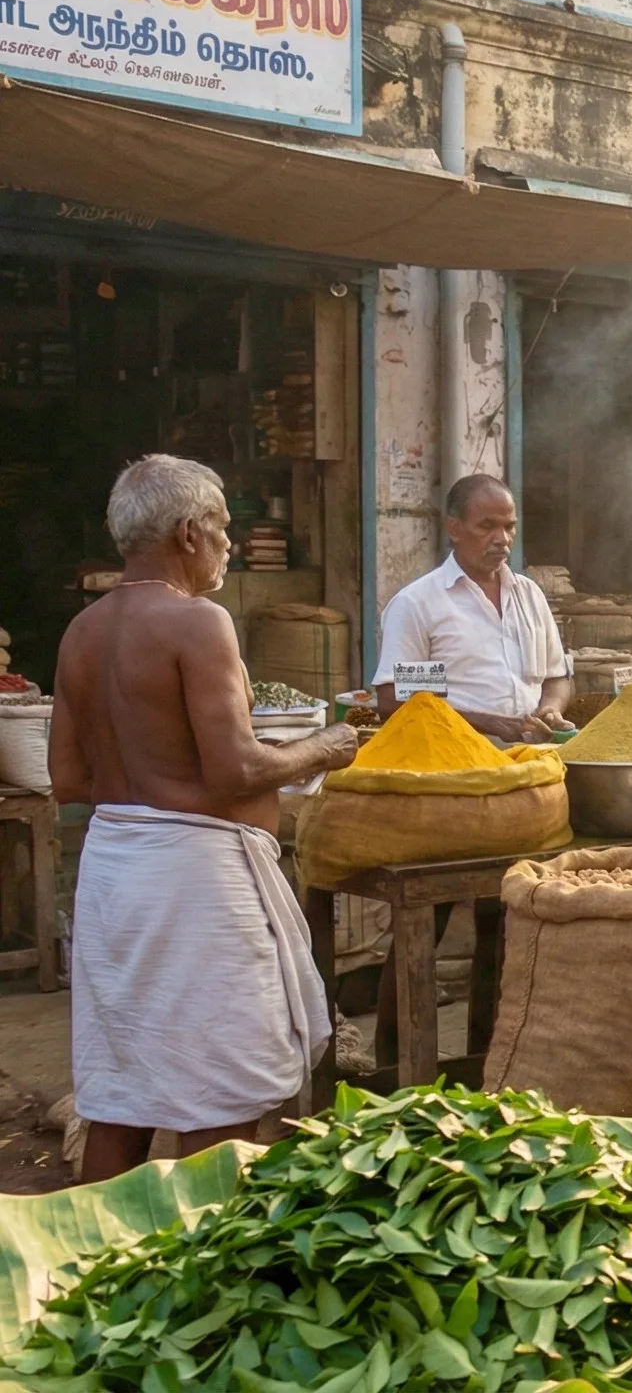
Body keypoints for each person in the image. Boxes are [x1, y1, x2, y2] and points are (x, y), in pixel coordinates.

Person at [49, 456, 361, 1181]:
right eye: (223, 526)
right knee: (222, 1088)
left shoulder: (82, 632)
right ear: (189, 532)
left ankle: (96, 1264)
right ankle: (206, 1266)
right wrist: (326, 746)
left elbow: (68, 778)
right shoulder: (199, 622)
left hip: (115, 872)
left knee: (124, 1089)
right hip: (197, 883)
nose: (229, 542)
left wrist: (156, 776)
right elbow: (236, 771)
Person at [375, 475, 574, 742]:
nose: (502, 539)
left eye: (509, 527)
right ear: (455, 529)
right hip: (457, 764)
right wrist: (487, 723)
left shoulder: (529, 595)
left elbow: (557, 677)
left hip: (532, 762)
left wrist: (551, 708)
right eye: (487, 526)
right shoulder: (417, 604)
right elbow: (394, 702)